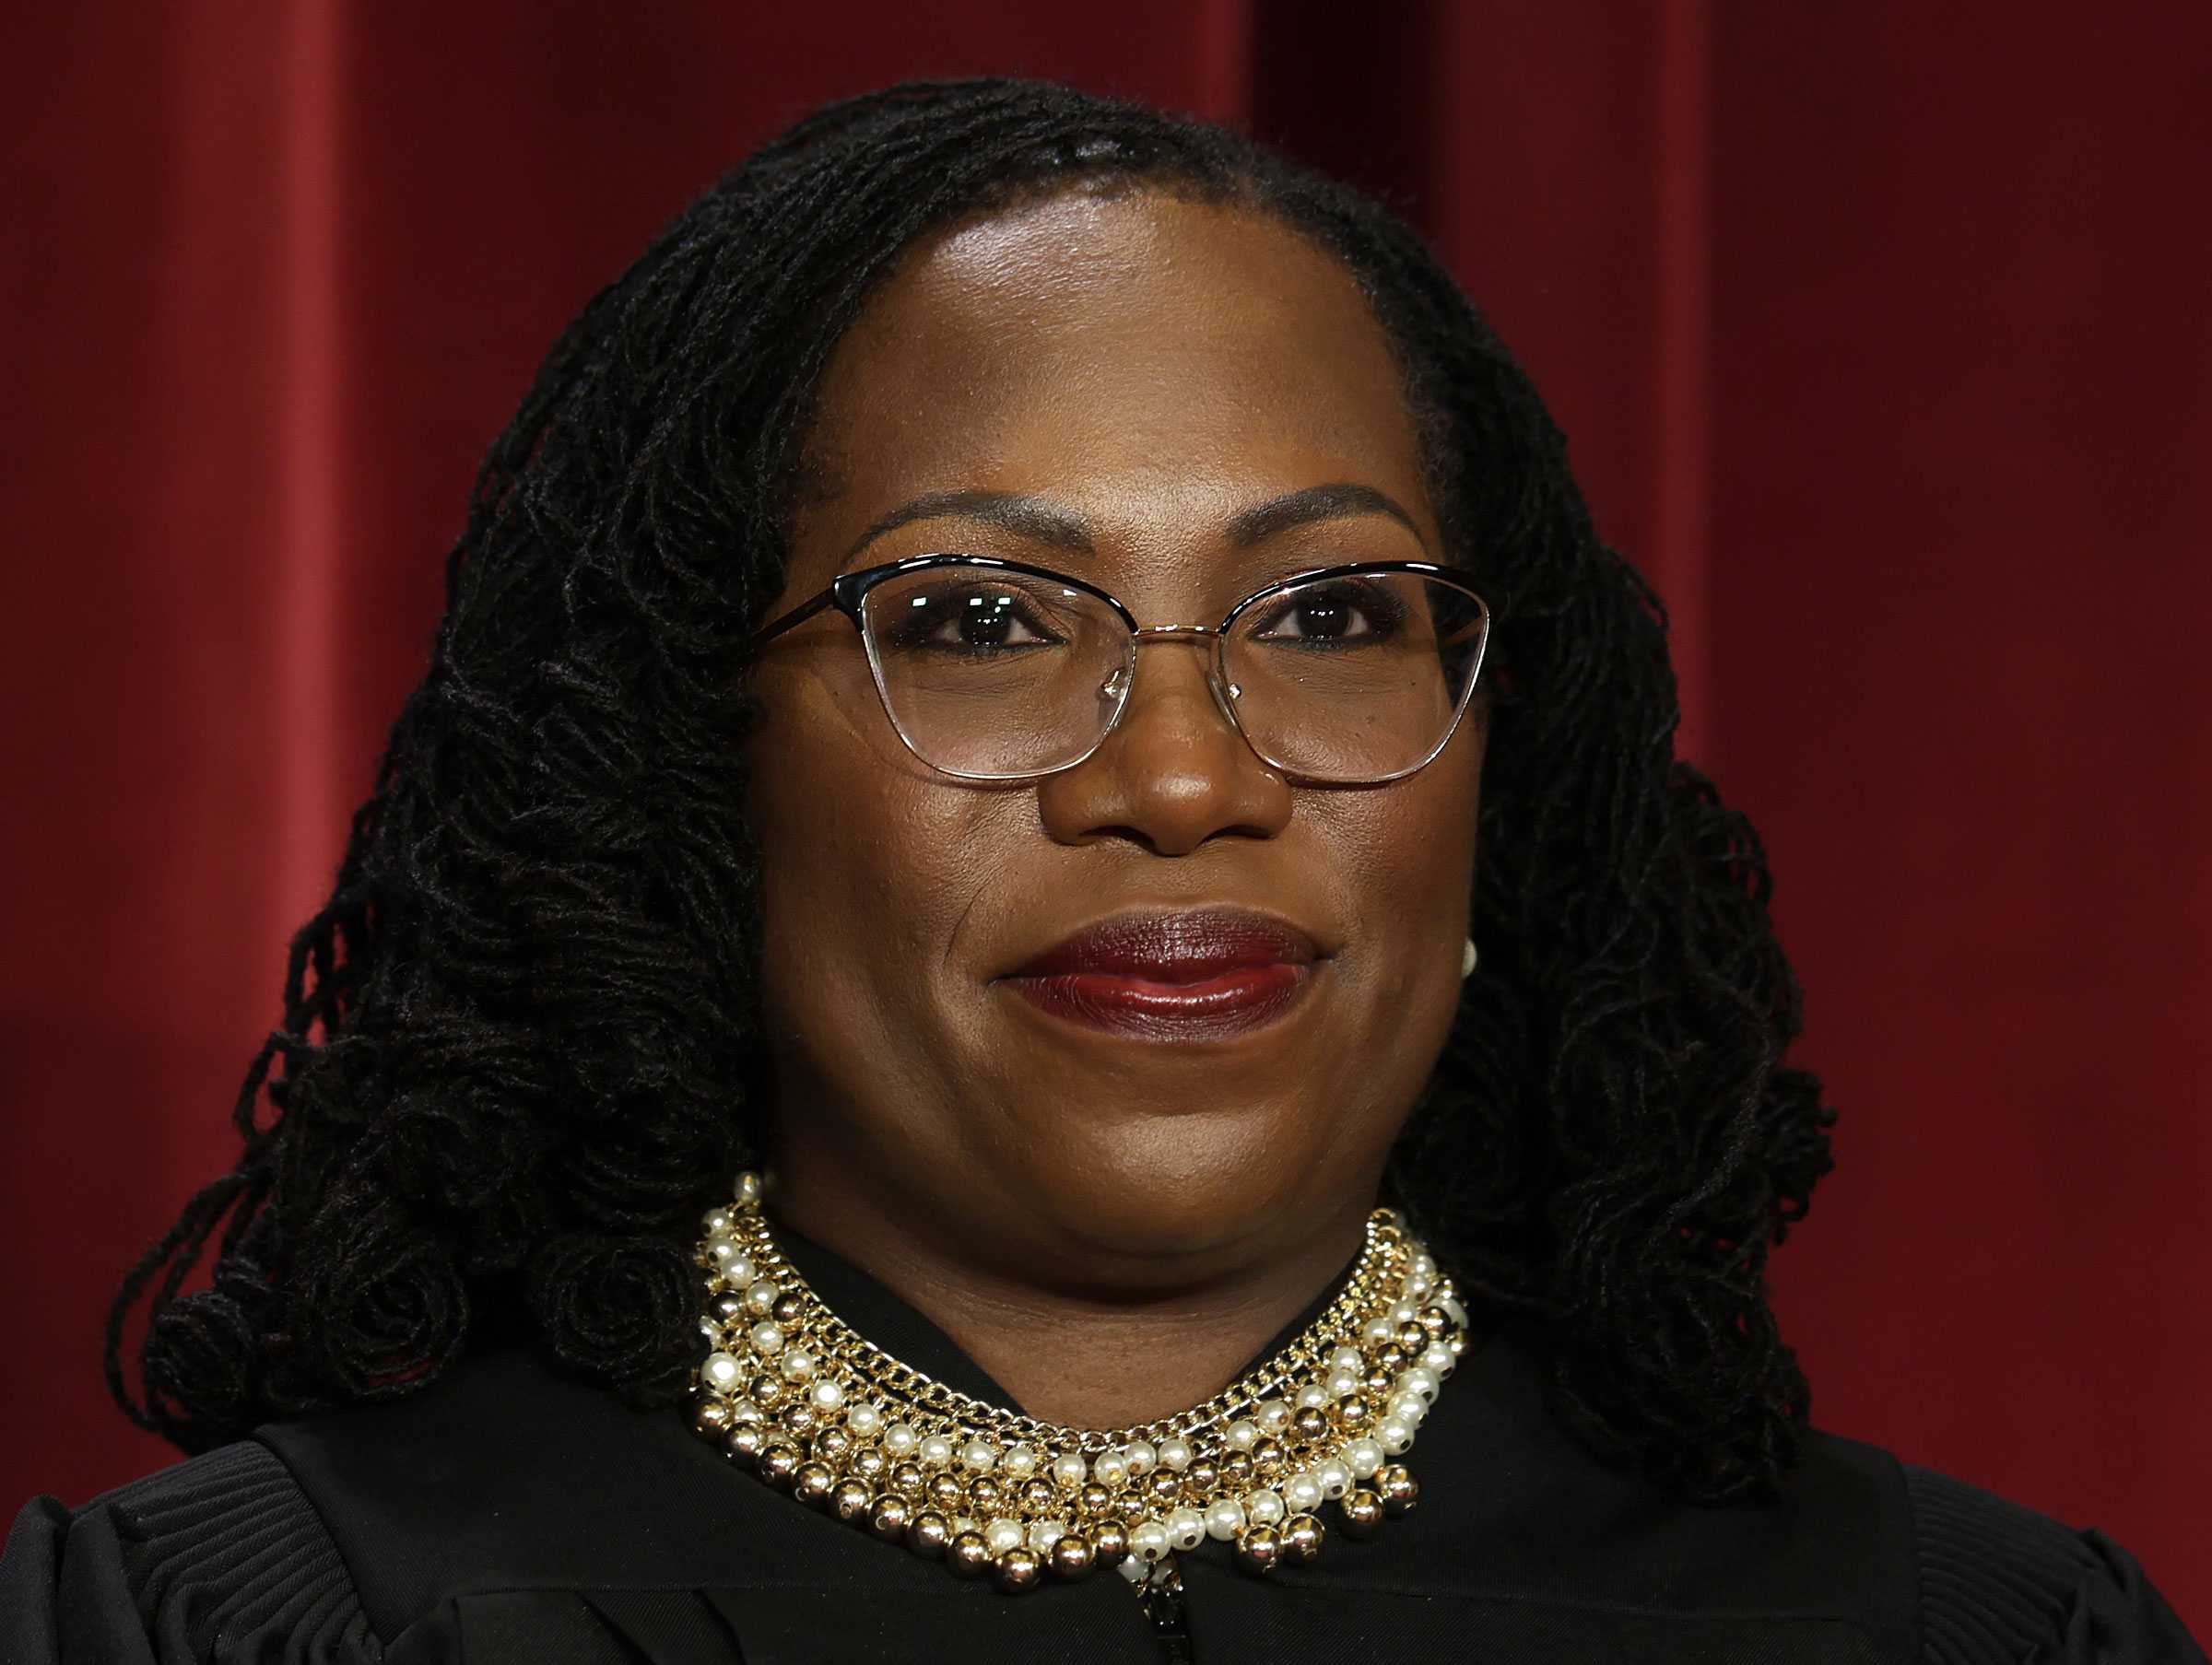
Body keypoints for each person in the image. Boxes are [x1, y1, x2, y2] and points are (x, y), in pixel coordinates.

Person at [2, 77, 2199, 1664]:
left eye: (1331, 615)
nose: (1179, 777)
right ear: (682, 767)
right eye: (973, 619)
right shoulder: (236, 1626)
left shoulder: (1967, 1633)